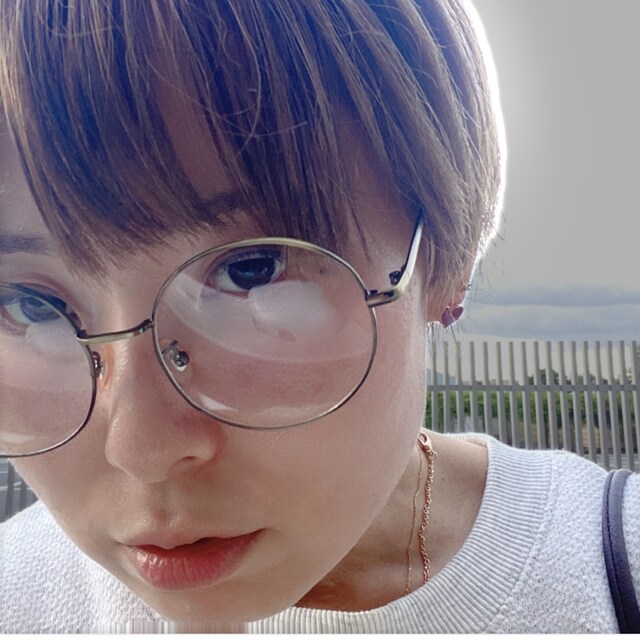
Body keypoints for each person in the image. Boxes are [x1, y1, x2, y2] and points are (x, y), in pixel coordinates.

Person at [0, 0, 638, 633]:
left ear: (446, 261)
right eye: (31, 305)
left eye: (252, 270)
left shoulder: (613, 564)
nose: (142, 452)